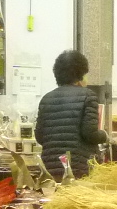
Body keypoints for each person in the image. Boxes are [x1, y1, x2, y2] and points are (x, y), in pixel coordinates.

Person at [36, 49, 107, 179]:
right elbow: (90, 134)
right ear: (81, 75)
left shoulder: (46, 99)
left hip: (50, 170)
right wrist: (104, 136)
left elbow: (40, 137)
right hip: (79, 169)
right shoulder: (88, 96)